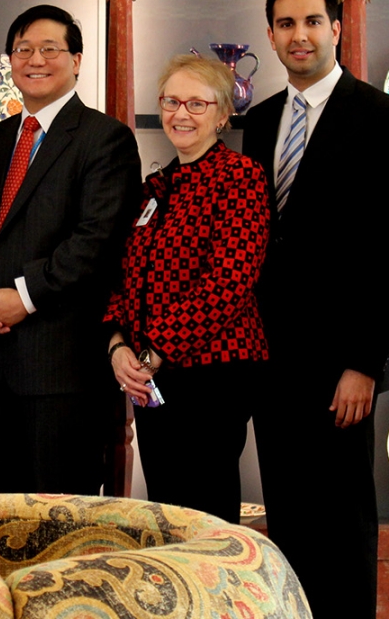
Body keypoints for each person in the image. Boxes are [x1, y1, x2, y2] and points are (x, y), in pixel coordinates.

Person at [242, 0, 389, 619]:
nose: (299, 35)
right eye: (285, 24)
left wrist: (364, 363)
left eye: (313, 22)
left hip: (342, 363)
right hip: (271, 358)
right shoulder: (259, 122)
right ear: (270, 35)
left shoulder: (381, 117)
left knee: (342, 520)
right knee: (287, 517)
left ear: (337, 29)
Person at [0, 4, 142, 495]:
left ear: (76, 60)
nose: (36, 59)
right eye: (23, 49)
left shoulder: (105, 139)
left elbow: (95, 241)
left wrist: (23, 296)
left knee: (62, 528)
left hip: (65, 372)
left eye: (50, 49)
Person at [104, 53, 269, 525]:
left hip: (214, 375)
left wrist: (155, 350)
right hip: (150, 376)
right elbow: (121, 276)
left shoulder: (240, 177)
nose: (182, 113)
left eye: (198, 103)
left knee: (206, 513)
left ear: (223, 114)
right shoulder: (153, 187)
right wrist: (118, 346)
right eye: (172, 101)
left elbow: (229, 281)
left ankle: (214, 601)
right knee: (167, 511)